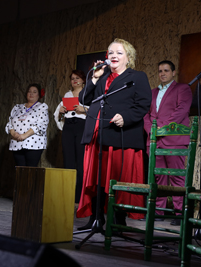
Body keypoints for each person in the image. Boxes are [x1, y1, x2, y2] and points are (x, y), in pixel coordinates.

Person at [76, 38, 152, 230]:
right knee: (96, 179)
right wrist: (94, 78)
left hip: (121, 136)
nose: (113, 56)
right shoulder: (101, 76)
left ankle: (118, 221)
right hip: (97, 136)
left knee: (118, 179)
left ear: (129, 57)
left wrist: (126, 117)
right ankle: (96, 218)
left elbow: (143, 104)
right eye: (110, 53)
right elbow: (84, 99)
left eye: (119, 52)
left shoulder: (138, 76)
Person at [143, 60, 192, 226]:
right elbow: (147, 115)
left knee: (176, 176)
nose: (162, 73)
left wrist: (163, 129)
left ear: (173, 72)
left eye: (166, 70)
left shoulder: (182, 89)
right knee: (158, 177)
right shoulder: (152, 92)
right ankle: (158, 212)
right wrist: (152, 131)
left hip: (174, 139)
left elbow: (182, 110)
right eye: (160, 71)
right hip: (154, 140)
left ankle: (179, 213)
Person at [54, 70, 88, 203]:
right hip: (68, 127)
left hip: (81, 127)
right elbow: (58, 116)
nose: (75, 81)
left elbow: (96, 111)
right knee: (68, 161)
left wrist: (83, 110)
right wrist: (61, 112)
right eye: (72, 78)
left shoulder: (88, 94)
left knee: (80, 162)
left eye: (77, 78)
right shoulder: (67, 94)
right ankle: (67, 194)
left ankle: (79, 196)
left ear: (83, 80)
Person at [6, 83, 48, 167]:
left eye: (34, 92)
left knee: (30, 170)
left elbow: (41, 124)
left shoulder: (42, 107)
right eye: (29, 91)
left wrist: (24, 136)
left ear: (39, 95)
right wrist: (14, 133)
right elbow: (9, 122)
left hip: (33, 143)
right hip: (16, 142)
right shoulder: (17, 107)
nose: (31, 94)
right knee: (20, 170)